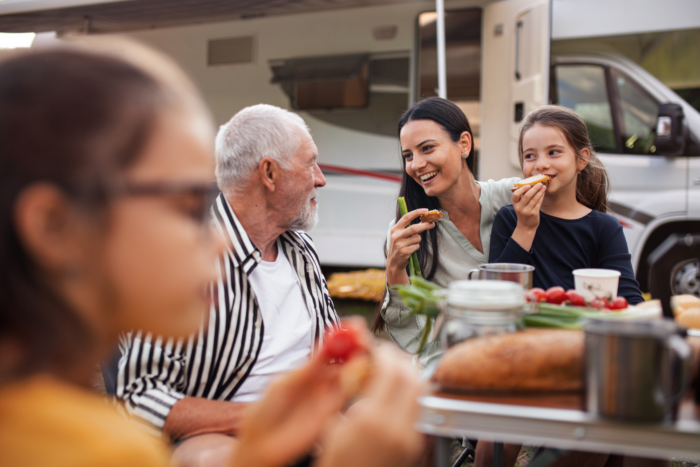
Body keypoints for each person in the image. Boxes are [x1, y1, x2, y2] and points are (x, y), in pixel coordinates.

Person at [0, 44, 424, 467]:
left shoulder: (57, 431)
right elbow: (140, 396)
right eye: (186, 204)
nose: (218, 241)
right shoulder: (98, 452)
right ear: (54, 227)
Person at [115, 103, 342, 463]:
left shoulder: (301, 249)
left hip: (314, 419)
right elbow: (140, 397)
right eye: (310, 162)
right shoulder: (184, 260)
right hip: (221, 436)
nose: (320, 178)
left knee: (407, 431)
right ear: (269, 173)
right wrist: (267, 417)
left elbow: (335, 356)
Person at [374, 97, 519, 356]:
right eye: (408, 155)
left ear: (464, 143)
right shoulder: (408, 230)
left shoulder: (511, 197)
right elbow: (414, 334)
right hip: (449, 359)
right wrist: (395, 268)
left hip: (517, 350)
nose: (416, 165)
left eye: (427, 148)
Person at [489, 105, 644, 305]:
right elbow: (495, 294)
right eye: (530, 156)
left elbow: (629, 300)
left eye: (553, 152)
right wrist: (525, 228)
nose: (541, 164)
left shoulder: (605, 228)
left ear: (582, 159)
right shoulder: (509, 219)